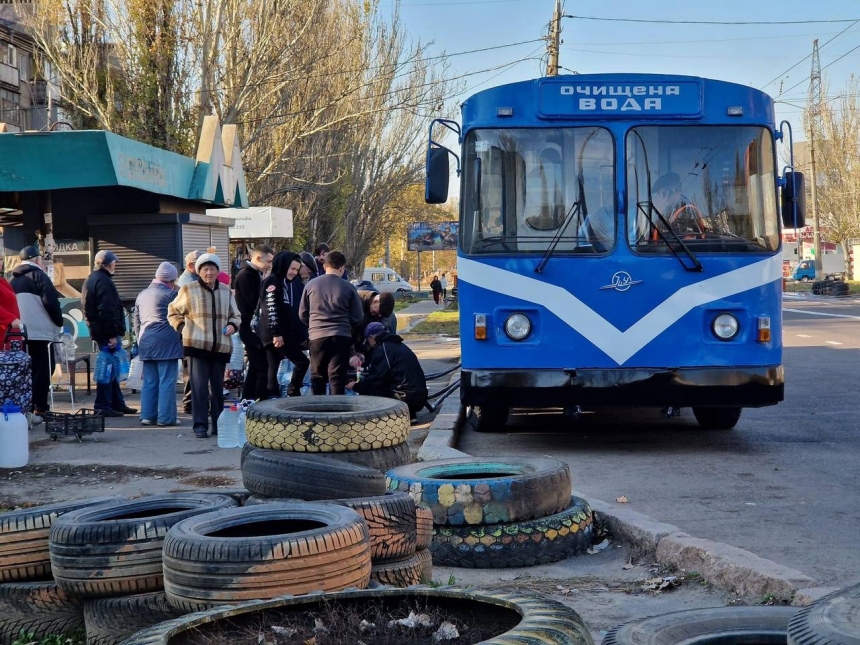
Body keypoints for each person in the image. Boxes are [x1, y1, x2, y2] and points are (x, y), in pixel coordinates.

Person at [168, 253, 240, 438]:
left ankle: (218, 424)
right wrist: (182, 327)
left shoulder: (225, 290)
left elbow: (236, 314)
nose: (209, 273)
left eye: (212, 269)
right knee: (198, 387)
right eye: (205, 269)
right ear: (199, 271)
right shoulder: (188, 289)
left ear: (218, 271)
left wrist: (232, 325)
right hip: (196, 345)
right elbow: (173, 311)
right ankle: (200, 426)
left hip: (221, 346)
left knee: (218, 388)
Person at [298, 250, 363, 395]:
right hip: (341, 336)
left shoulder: (310, 285)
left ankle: (318, 412)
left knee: (317, 376)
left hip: (317, 337)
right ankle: (336, 412)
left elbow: (302, 313)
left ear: (325, 266)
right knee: (337, 377)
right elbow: (358, 317)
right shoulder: (348, 287)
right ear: (342, 268)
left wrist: (314, 324)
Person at [82, 250, 137, 418]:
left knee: (111, 369)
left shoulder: (92, 279)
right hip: (107, 333)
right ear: (109, 264)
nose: (116, 265)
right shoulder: (103, 281)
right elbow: (106, 309)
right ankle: (103, 405)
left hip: (100, 330)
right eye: (115, 262)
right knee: (108, 370)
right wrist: (112, 334)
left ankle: (117, 403)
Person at [10, 246, 63, 419]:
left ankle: (28, 406)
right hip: (40, 333)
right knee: (43, 370)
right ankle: (41, 408)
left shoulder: (12, 280)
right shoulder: (40, 276)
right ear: (37, 260)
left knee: (26, 372)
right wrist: (58, 322)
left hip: (20, 333)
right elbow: (52, 303)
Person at [134, 262, 183, 426]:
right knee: (167, 381)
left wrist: (139, 340)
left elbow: (136, 322)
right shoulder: (172, 295)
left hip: (146, 342)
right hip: (167, 342)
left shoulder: (142, 294)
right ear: (172, 280)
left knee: (149, 381)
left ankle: (147, 415)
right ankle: (166, 418)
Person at [348, 322, 428, 421]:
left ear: (372, 337)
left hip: (406, 398)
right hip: (420, 397)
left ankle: (373, 419)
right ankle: (409, 415)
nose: (369, 343)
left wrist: (355, 386)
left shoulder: (382, 349)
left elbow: (376, 379)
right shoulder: (399, 345)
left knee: (369, 390)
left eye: (368, 340)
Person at [260, 251, 310, 398]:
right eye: (292, 268)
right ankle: (293, 391)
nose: (294, 273)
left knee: (273, 367)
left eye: (296, 269)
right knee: (302, 362)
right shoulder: (273, 281)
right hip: (276, 335)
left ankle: (273, 396)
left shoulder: (282, 283)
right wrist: (276, 332)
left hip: (279, 334)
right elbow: (270, 308)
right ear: (283, 265)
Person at [233, 244, 274, 400]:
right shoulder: (246, 275)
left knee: (255, 368)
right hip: (249, 328)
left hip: (251, 327)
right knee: (262, 367)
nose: (270, 265)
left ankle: (248, 398)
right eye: (268, 262)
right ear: (257, 258)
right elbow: (254, 303)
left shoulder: (254, 274)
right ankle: (257, 401)